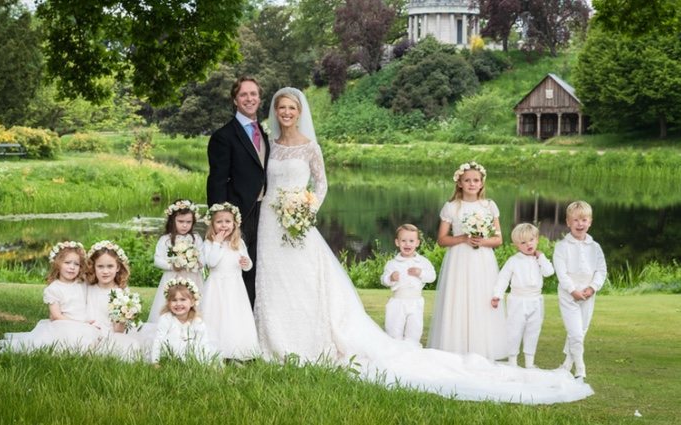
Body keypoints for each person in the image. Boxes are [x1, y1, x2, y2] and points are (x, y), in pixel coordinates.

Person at [254, 87, 593, 404]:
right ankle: (272, 340)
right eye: (281, 108)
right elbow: (260, 180)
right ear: (275, 111)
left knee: (304, 281)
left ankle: (308, 341)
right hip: (270, 222)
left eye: (291, 108)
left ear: (299, 112)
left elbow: (322, 184)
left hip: (299, 221)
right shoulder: (269, 143)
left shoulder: (310, 146)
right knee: (276, 281)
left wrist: (307, 209)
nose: (286, 113)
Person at [427, 161, 507, 361]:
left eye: (476, 180)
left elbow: (498, 239)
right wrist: (463, 238)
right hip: (459, 259)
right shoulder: (452, 207)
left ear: (482, 183)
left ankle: (482, 347)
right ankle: (455, 345)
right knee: (459, 297)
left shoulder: (489, 206)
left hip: (482, 259)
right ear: (460, 183)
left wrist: (482, 240)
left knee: (481, 298)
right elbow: (442, 239)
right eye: (467, 180)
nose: (472, 184)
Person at [206, 76, 270, 309]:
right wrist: (219, 219)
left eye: (253, 94)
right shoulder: (223, 137)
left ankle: (253, 321)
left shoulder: (264, 132)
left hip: (265, 211)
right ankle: (231, 320)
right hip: (238, 214)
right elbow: (217, 180)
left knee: (256, 267)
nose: (249, 98)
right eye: (244, 94)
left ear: (259, 98)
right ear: (235, 99)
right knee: (234, 268)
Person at [0, 241, 100, 353]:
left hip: (83, 322)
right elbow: (56, 315)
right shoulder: (54, 289)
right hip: (64, 323)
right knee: (66, 343)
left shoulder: (81, 282)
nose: (72, 267)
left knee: (92, 339)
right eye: (67, 263)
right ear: (57, 264)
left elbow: (95, 273)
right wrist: (81, 324)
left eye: (76, 264)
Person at [199, 203, 260, 360]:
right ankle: (214, 349)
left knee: (234, 316)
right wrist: (217, 243)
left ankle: (237, 348)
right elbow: (211, 263)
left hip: (234, 286)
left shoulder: (238, 243)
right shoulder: (208, 244)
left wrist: (246, 263)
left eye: (227, 221)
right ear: (212, 225)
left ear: (234, 224)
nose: (224, 225)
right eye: (219, 222)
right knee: (216, 316)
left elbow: (248, 264)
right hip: (216, 286)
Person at [553, 201, 607, 379]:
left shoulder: (595, 247)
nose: (580, 224)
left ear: (590, 221)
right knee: (575, 333)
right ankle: (580, 369)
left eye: (584, 220)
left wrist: (592, 288)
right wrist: (572, 290)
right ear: (568, 222)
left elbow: (601, 270)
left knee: (580, 331)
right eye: (575, 220)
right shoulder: (562, 247)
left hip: (588, 295)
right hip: (569, 296)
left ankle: (567, 363)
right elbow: (561, 273)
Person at [491, 223, 554, 368]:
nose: (528, 245)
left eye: (531, 240)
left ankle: (529, 363)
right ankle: (512, 361)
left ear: (537, 239)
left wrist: (541, 257)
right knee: (514, 329)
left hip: (536, 300)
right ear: (516, 245)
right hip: (518, 300)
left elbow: (549, 272)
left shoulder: (539, 259)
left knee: (534, 329)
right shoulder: (513, 261)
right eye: (523, 243)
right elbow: (503, 278)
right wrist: (497, 295)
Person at [85, 240, 143, 360]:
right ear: (93, 267)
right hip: (90, 329)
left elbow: (119, 330)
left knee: (126, 346)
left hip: (114, 332)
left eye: (110, 266)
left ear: (118, 267)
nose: (105, 271)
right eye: (100, 266)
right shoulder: (88, 289)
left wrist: (124, 316)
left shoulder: (122, 293)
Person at [148, 199, 204, 323]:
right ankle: (169, 327)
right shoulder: (166, 240)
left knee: (190, 301)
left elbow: (202, 259)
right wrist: (172, 265)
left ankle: (192, 326)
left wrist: (194, 262)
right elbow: (158, 260)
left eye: (188, 222)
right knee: (173, 301)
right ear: (172, 221)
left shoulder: (196, 239)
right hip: (172, 277)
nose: (185, 225)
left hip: (192, 278)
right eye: (180, 221)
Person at [380, 224, 436, 346]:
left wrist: (420, 273)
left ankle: (412, 354)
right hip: (398, 302)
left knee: (414, 331)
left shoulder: (422, 262)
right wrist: (391, 278)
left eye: (411, 241)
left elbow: (432, 276)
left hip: (416, 301)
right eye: (403, 241)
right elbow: (383, 280)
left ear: (417, 243)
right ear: (397, 242)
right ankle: (394, 354)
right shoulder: (392, 263)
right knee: (394, 331)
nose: (407, 244)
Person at [150, 277, 216, 364]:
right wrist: (155, 362)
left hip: (192, 356)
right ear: (168, 303)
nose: (178, 304)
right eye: (174, 300)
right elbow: (158, 341)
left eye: (183, 299)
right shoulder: (166, 319)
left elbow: (204, 343)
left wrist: (206, 363)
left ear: (192, 302)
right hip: (170, 355)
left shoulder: (197, 322)